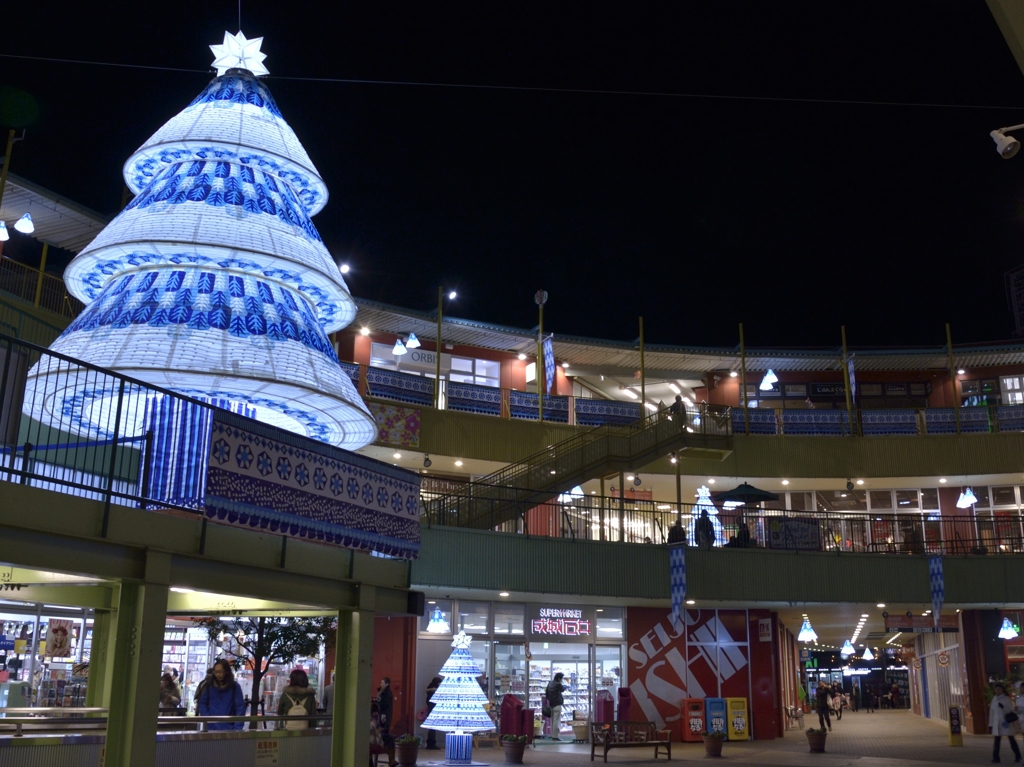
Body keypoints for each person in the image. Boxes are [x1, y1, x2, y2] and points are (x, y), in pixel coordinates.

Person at [197, 659, 245, 730]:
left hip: (230, 728)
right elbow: (202, 703)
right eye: (216, 672)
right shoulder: (209, 686)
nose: (218, 674)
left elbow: (240, 708)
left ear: (227, 672)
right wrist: (208, 719)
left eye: (221, 672)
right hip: (211, 728)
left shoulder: (234, 687)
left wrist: (237, 729)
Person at [990, 683, 1022, 763]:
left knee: (1011, 738)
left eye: (999, 689)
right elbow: (991, 712)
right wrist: (990, 723)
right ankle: (996, 758)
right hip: (997, 722)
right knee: (997, 740)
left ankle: (1018, 756)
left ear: (1002, 690)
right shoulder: (994, 699)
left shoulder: (1006, 699)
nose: (997, 691)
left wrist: (1003, 707)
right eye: (996, 689)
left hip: (1005, 722)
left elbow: (1010, 710)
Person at [377, 677, 394, 765]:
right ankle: (391, 758)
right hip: (383, 714)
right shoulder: (382, 692)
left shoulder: (387, 693)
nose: (381, 684)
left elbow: (385, 703)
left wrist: (377, 705)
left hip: (385, 714)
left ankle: (386, 749)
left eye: (382, 683)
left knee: (384, 730)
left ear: (387, 684)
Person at [545, 672, 566, 740]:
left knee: (553, 721)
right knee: (556, 721)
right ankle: (555, 736)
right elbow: (562, 689)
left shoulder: (550, 683)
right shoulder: (558, 684)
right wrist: (565, 686)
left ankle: (553, 735)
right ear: (559, 678)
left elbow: (547, 694)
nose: (562, 680)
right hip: (557, 704)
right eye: (561, 678)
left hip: (551, 705)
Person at [425, 674, 442, 749]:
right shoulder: (434, 691)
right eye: (439, 682)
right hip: (433, 711)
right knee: (432, 729)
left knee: (431, 728)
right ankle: (431, 744)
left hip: (431, 711)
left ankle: (430, 743)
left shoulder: (430, 691)